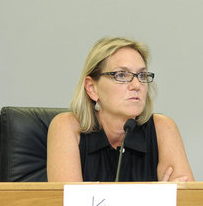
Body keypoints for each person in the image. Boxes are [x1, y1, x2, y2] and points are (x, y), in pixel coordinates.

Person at [47, 37, 194, 182]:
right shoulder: (67, 126)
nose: (136, 85)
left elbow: (189, 196)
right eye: (121, 75)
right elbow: (68, 198)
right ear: (92, 88)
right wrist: (157, 194)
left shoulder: (162, 128)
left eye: (142, 75)